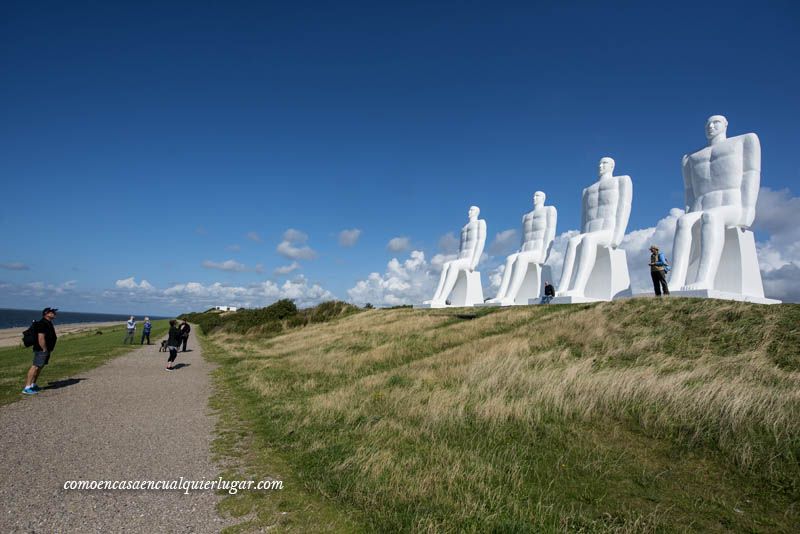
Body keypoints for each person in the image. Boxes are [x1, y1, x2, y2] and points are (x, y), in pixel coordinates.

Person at [669, 115, 760, 291]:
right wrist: (688, 211)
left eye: (716, 122)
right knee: (683, 221)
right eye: (708, 123)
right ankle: (676, 280)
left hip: (731, 206)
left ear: (725, 125)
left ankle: (705, 279)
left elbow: (751, 174)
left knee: (711, 217)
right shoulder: (691, 157)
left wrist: (749, 209)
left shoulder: (744, 140)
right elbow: (689, 190)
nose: (711, 126)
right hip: (701, 206)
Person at [558, 157, 632, 297]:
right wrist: (581, 234)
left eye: (604, 163)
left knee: (589, 240)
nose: (600, 165)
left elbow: (624, 207)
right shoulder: (587, 190)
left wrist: (618, 235)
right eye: (599, 163)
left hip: (608, 230)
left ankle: (579, 288)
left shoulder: (621, 180)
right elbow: (584, 217)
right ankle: (562, 287)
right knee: (573, 242)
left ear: (612, 166)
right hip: (590, 231)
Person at [488, 191, 557, 305]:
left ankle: (510, 297)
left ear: (544, 198)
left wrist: (545, 254)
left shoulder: (549, 210)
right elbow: (523, 238)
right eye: (534, 195)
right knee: (510, 259)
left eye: (537, 195)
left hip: (538, 250)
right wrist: (520, 250)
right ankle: (500, 296)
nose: (534, 198)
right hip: (525, 250)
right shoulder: (526, 216)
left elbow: (550, 231)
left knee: (521, 258)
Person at [425, 206, 487, 306]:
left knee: (453, 265)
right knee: (446, 265)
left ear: (477, 212)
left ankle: (442, 299)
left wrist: (475, 260)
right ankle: (436, 298)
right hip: (461, 258)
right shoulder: (464, 228)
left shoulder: (480, 223)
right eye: (469, 209)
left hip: (470, 259)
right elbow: (461, 246)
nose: (469, 211)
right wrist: (458, 259)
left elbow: (480, 241)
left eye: (472, 210)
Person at [22, 307, 58, 395]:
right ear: (46, 314)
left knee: (40, 367)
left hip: (46, 350)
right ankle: (27, 387)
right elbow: (41, 338)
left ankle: (33, 384)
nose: (54, 314)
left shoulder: (48, 323)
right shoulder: (42, 324)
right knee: (35, 367)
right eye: (52, 312)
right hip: (41, 350)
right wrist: (44, 349)